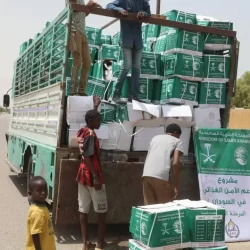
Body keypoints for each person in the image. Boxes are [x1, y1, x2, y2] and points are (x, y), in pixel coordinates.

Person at [106, 0, 151, 104]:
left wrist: (144, 14)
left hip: (138, 40)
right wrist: (119, 9)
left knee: (136, 68)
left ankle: (134, 97)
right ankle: (116, 95)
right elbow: (109, 5)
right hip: (126, 39)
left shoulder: (143, 2)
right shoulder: (123, 1)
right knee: (127, 66)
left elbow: (149, 13)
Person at [77, 109, 107, 250]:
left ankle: (85, 244)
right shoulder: (90, 134)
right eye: (98, 120)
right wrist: (95, 176)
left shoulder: (82, 131)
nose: (99, 122)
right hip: (91, 176)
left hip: (82, 175)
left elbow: (84, 155)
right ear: (90, 122)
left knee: (83, 209)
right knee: (101, 211)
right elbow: (88, 157)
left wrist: (95, 106)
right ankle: (100, 244)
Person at [142, 124, 184, 205]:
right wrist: (176, 186)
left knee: (149, 208)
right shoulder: (177, 141)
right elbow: (175, 163)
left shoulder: (154, 138)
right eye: (179, 136)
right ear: (176, 133)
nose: (179, 138)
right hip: (161, 176)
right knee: (165, 209)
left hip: (146, 174)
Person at [67, 0, 102, 95]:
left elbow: (81, 14)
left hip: (83, 33)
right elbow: (71, 8)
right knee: (77, 61)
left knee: (87, 62)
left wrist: (88, 8)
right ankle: (73, 90)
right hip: (74, 32)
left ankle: (81, 90)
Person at [26, 176, 56, 250]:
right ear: (30, 193)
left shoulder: (41, 205)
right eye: (39, 190)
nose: (43, 193)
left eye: (45, 189)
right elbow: (35, 234)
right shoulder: (37, 212)